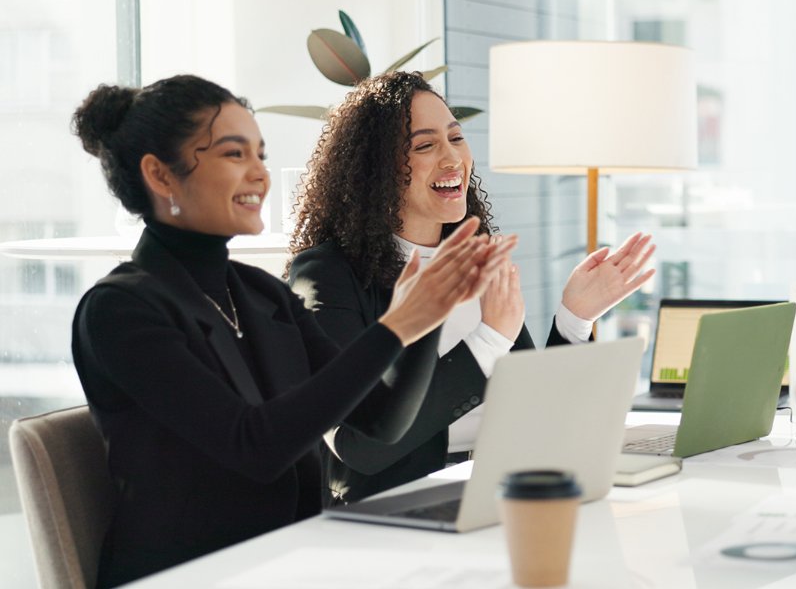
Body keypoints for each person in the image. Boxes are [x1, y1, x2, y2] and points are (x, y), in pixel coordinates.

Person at [70, 75, 502, 587]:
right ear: (161, 177)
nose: (260, 175)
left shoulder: (259, 294)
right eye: (235, 155)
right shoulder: (120, 310)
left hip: (294, 562)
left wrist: (425, 321)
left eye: (260, 154)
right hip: (194, 576)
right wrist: (398, 326)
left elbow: (380, 422)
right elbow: (255, 447)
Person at [287, 71, 654, 502]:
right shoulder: (327, 275)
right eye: (425, 145)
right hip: (402, 506)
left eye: (456, 138)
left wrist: (574, 318)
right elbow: (359, 447)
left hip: (504, 485)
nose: (452, 158)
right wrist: (488, 341)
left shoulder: (476, 257)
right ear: (375, 171)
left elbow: (539, 412)